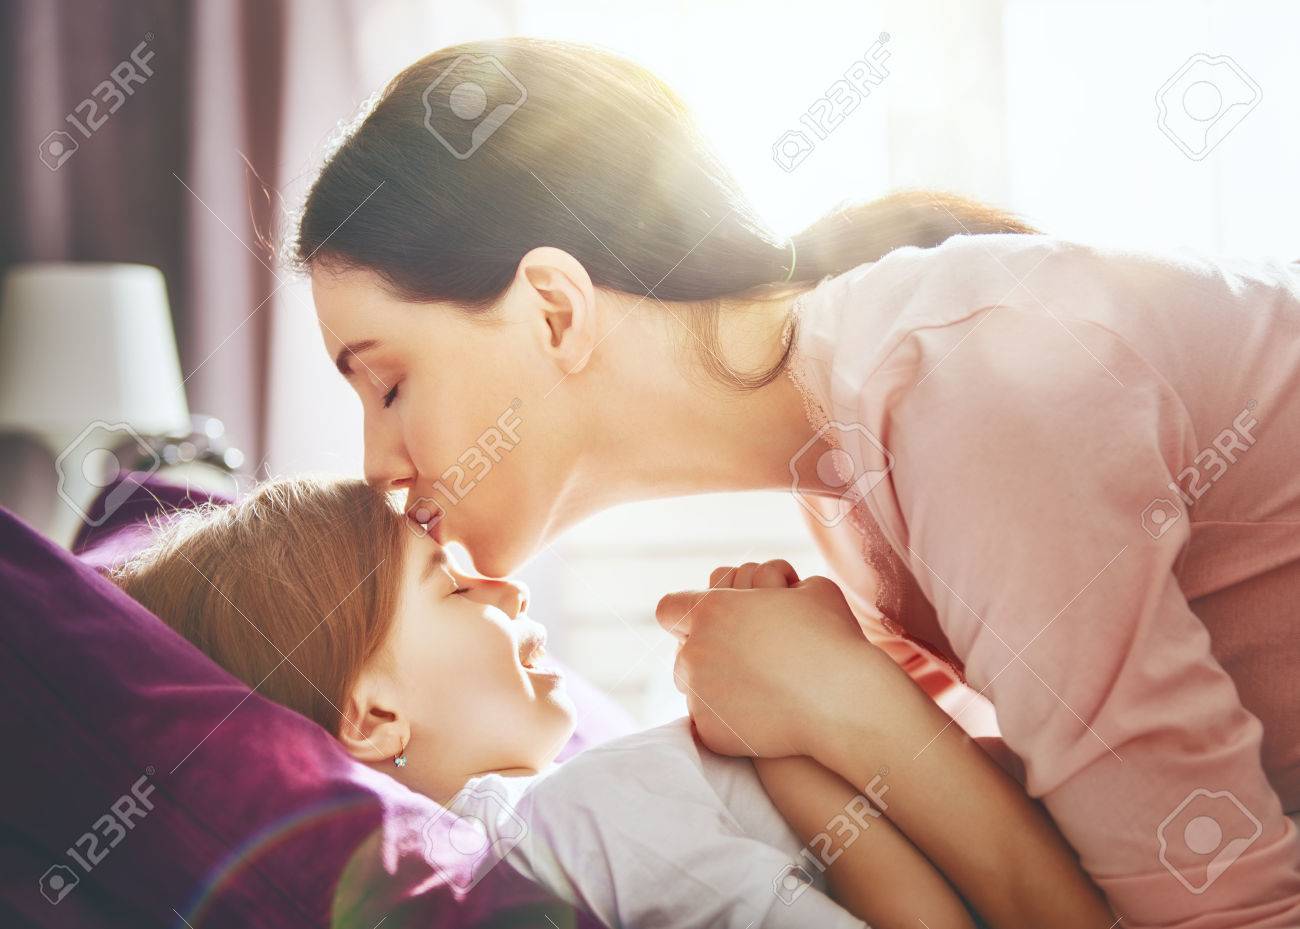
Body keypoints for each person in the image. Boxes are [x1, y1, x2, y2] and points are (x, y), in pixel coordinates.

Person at [294, 35, 1300, 927]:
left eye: (387, 384)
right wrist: (827, 719)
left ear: (554, 309)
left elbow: (1225, 909)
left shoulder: (966, 383)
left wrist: (845, 705)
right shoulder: (852, 488)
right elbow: (1087, 832)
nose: (380, 464)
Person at [111, 477, 1114, 928]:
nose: (507, 585)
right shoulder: (583, 819)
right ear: (372, 716)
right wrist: (791, 738)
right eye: (455, 589)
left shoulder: (574, 811)